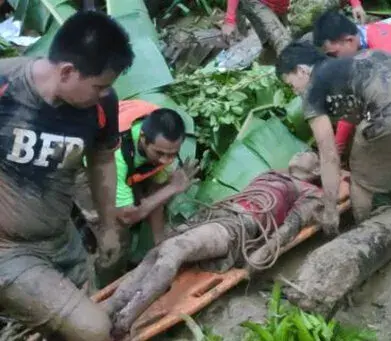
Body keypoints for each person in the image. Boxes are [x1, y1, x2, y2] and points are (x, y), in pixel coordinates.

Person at [100, 151, 349, 337]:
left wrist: (260, 256)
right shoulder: (273, 174)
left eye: (310, 153)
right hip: (221, 215)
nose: (302, 151)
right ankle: (113, 305)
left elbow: (290, 226)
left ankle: (125, 320)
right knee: (158, 252)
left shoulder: (308, 191)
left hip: (239, 227)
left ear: (317, 171)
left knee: (175, 249)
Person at [0, 11, 134, 341]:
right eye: (99, 86)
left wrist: (107, 227)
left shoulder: (102, 104)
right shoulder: (6, 88)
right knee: (93, 330)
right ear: (67, 72)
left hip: (62, 240)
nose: (104, 94)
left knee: (91, 316)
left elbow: (102, 160)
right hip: (8, 250)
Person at [276, 41, 391, 225]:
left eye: (291, 84)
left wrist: (330, 211)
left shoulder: (313, 91)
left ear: (301, 70)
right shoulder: (354, 57)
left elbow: (329, 155)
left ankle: (363, 227)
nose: (295, 90)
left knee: (360, 181)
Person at [75, 100, 199, 287]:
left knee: (160, 191)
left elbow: (156, 193)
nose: (166, 159)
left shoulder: (164, 147)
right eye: (160, 153)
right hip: (88, 167)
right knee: (116, 238)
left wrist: (159, 242)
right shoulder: (116, 155)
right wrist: (172, 187)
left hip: (132, 168)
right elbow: (126, 217)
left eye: (172, 154)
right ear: (143, 138)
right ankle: (103, 286)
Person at [222, 0, 366, 40]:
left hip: (287, 5)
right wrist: (229, 20)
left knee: (291, 34)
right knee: (279, 41)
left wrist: (356, 4)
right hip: (260, 3)